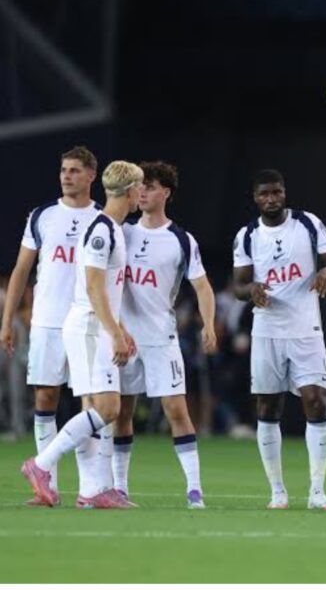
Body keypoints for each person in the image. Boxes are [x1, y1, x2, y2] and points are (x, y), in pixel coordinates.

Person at [20, 160, 142, 508]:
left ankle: (91, 490)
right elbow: (93, 287)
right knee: (107, 407)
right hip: (90, 326)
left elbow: (108, 288)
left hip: (95, 325)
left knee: (95, 407)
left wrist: (121, 328)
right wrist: (114, 332)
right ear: (130, 190)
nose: (141, 193)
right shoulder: (102, 230)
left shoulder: (110, 227)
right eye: (139, 187)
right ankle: (41, 464)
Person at [232, 168, 326, 510]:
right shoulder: (247, 235)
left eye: (277, 192)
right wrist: (251, 290)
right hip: (267, 328)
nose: (271, 199)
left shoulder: (308, 223)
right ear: (255, 198)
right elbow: (238, 285)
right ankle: (277, 491)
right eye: (264, 194)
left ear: (284, 193)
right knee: (268, 407)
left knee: (316, 400)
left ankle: (317, 492)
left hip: (305, 327)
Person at [112, 161, 218, 509]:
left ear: (166, 193)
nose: (142, 192)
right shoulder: (122, 232)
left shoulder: (181, 240)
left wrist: (208, 324)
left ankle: (194, 490)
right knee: (121, 412)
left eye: (151, 187)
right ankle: (119, 488)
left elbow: (202, 287)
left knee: (176, 410)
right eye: (140, 186)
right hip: (124, 340)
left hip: (161, 338)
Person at [1, 146, 101, 506]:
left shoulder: (103, 219)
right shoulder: (42, 216)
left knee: (90, 403)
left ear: (91, 175)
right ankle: (48, 489)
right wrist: (7, 320)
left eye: (74, 170)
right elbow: (21, 270)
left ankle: (90, 489)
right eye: (63, 170)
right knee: (45, 398)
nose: (66, 176)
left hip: (87, 322)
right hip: (46, 321)